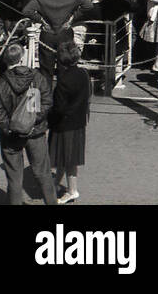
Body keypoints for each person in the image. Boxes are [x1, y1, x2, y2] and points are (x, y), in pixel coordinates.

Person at [0, 42, 57, 205]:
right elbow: (47, 102)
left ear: (6, 60)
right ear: (22, 58)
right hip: (36, 132)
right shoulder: (37, 78)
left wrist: (11, 128)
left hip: (11, 136)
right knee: (43, 174)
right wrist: (33, 121)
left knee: (14, 177)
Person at [48, 40, 91, 204]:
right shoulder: (83, 74)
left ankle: (72, 190)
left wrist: (48, 119)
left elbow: (58, 109)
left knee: (67, 159)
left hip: (64, 125)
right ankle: (54, 184)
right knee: (66, 158)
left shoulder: (63, 81)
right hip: (78, 122)